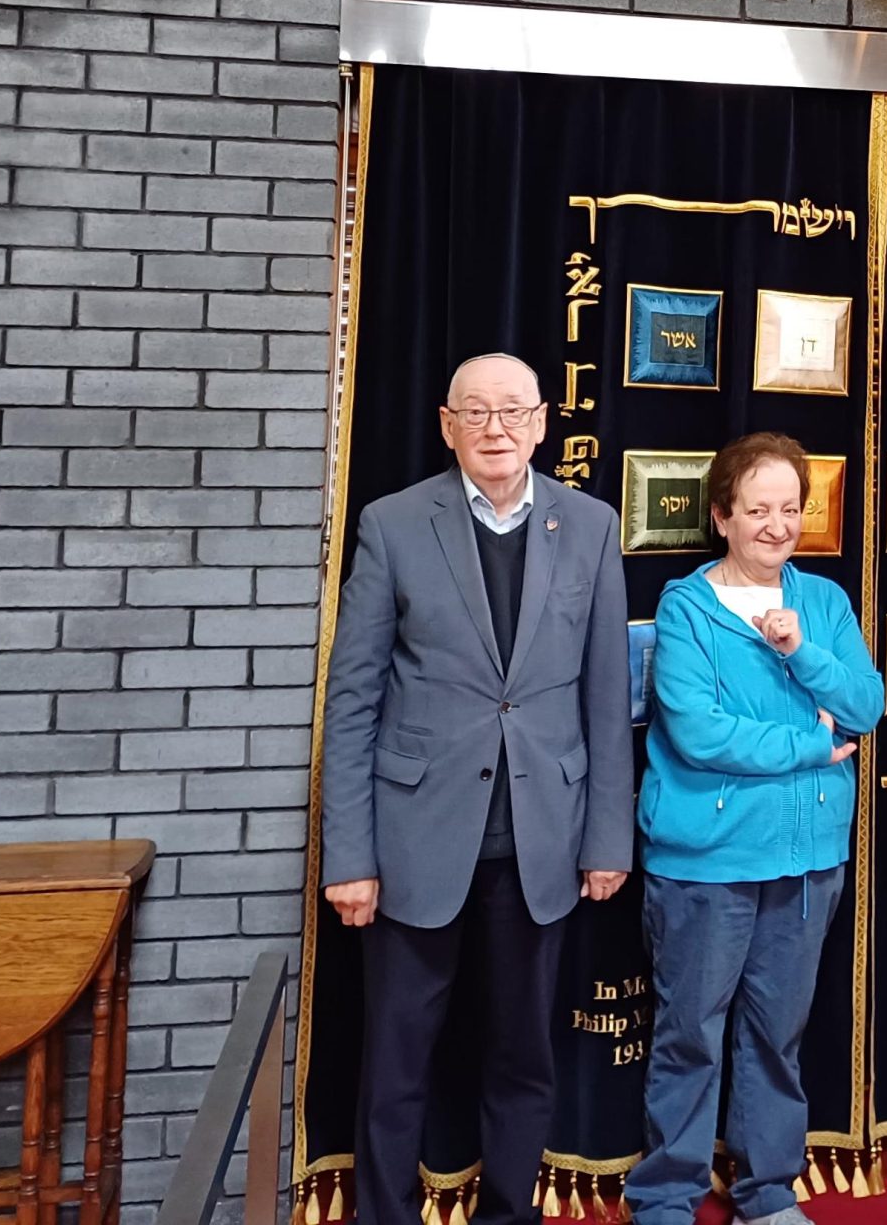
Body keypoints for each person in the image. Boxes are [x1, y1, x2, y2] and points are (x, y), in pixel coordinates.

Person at [320, 353, 634, 1225]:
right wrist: (349, 854)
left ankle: (507, 1214)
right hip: (414, 843)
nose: (496, 428)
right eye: (477, 412)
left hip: (542, 843)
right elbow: (353, 701)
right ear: (447, 424)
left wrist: (609, 836)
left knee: (523, 1060)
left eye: (513, 411)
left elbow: (606, 695)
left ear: (541, 423)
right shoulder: (392, 524)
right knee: (394, 1065)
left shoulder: (592, 524)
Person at [628, 433, 886, 1225]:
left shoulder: (825, 604)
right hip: (707, 862)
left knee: (777, 1037)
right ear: (722, 516)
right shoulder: (686, 607)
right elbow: (701, 733)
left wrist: (802, 651)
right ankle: (666, 1198)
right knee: (690, 1036)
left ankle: (768, 1194)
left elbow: (866, 707)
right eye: (757, 510)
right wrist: (812, 743)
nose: (775, 525)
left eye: (789, 509)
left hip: (807, 859)